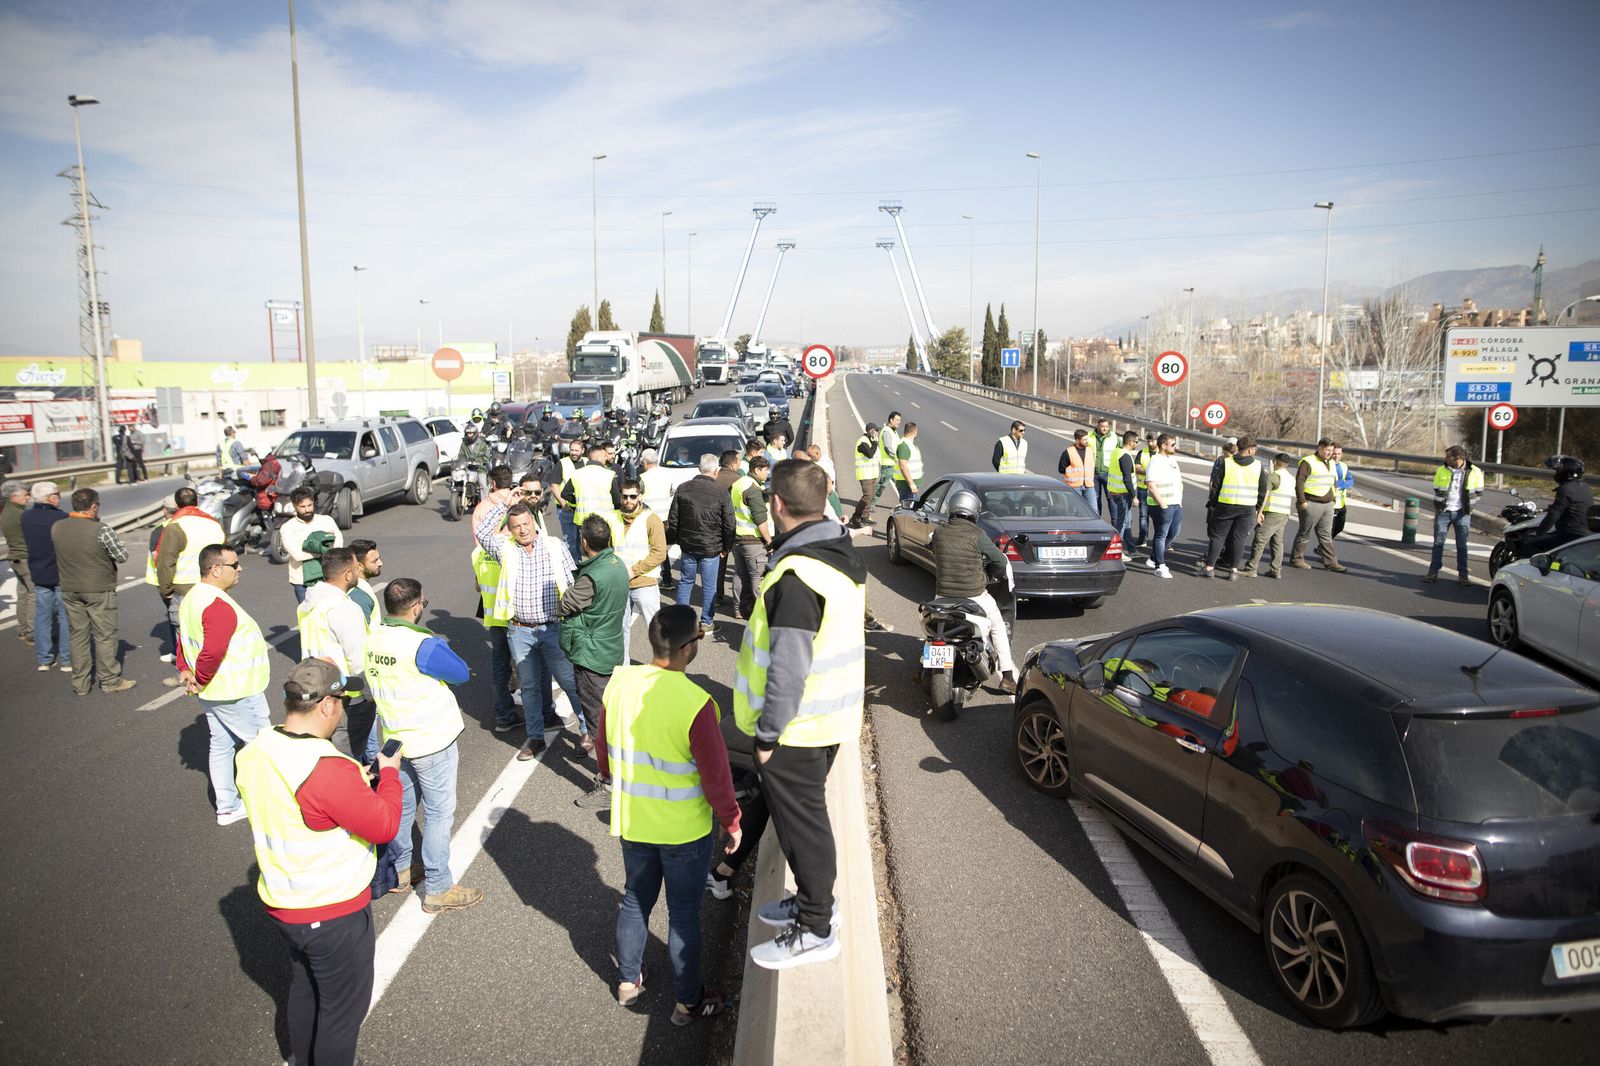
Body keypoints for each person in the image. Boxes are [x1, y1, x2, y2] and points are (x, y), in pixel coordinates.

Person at [235, 658, 402, 1066]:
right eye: (341, 703)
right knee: (342, 1015)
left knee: (305, 988)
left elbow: (303, 808)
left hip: (284, 900)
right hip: (331, 907)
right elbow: (383, 825)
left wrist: (353, 784)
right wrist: (390, 775)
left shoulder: (257, 751)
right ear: (327, 705)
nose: (341, 711)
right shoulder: (326, 768)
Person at [736, 460, 865, 970]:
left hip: (797, 727)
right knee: (799, 823)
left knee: (804, 825)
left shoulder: (798, 575)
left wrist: (768, 732)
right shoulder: (837, 553)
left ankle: (815, 926)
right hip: (823, 719)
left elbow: (789, 665)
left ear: (777, 505)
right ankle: (813, 903)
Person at [586, 606, 740, 1023]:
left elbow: (603, 751)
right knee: (684, 914)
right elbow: (716, 776)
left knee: (635, 899)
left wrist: (609, 775)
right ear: (688, 648)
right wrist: (732, 820)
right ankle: (688, 1000)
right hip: (683, 832)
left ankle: (627, 980)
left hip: (634, 821)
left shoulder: (620, 683)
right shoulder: (696, 703)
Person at [365, 578, 484, 912]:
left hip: (393, 740)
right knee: (438, 812)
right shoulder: (421, 644)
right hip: (430, 738)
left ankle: (402, 870)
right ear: (416, 606)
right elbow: (460, 673)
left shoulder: (374, 637)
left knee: (401, 806)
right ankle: (438, 886)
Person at [475, 497, 585, 761]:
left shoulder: (554, 546)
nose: (523, 529)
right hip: (519, 630)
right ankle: (536, 738)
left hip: (553, 628)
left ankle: (587, 729)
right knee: (530, 686)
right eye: (516, 526)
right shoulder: (505, 549)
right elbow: (481, 532)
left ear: (534, 523)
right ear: (509, 529)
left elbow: (572, 581)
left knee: (570, 681)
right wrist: (504, 505)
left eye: (526, 523)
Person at [179, 544, 272, 825]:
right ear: (215, 569)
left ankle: (228, 806)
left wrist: (186, 670)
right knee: (265, 747)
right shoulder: (217, 605)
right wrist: (200, 677)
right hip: (237, 690)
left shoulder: (193, 597)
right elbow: (212, 651)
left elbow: (183, 639)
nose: (240, 568)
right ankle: (274, 804)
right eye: (234, 564)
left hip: (214, 692)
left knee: (221, 746)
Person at [558, 515, 631, 758]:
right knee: (610, 711)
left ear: (585, 541)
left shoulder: (592, 576)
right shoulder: (617, 564)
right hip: (611, 647)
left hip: (591, 653)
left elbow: (566, 604)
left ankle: (607, 779)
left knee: (597, 720)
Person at [53, 487, 136, 696]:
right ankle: (109, 680)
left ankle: (80, 683)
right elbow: (121, 556)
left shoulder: (57, 527)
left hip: (70, 588)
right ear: (93, 506)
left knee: (78, 636)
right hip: (98, 587)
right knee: (104, 635)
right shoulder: (101, 529)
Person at [931, 488, 1017, 690]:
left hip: (942, 595)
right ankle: (1007, 677)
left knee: (934, 632)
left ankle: (923, 668)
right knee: (997, 626)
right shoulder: (978, 534)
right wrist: (993, 573)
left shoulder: (938, 532)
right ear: (973, 511)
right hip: (974, 596)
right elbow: (1000, 561)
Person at [298, 547, 376, 759]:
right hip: (348, 698)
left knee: (326, 759)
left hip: (318, 691)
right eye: (355, 569)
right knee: (349, 761)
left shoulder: (310, 603)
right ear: (347, 574)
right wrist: (370, 695)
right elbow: (358, 657)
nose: (358, 573)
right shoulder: (343, 608)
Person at [154, 486, 225, 670]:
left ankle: (192, 674)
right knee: (211, 631)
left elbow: (165, 562)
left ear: (177, 505)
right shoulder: (213, 524)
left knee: (186, 635)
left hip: (185, 590)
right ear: (197, 502)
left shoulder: (175, 526)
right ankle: (213, 669)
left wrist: (165, 589)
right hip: (214, 586)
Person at [668, 454, 735, 634]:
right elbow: (729, 523)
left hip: (688, 545)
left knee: (686, 582)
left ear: (699, 469)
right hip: (711, 547)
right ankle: (706, 621)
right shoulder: (721, 492)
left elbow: (673, 519)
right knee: (709, 586)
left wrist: (677, 539)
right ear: (716, 471)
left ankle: (682, 620)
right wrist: (727, 547)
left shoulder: (683, 489)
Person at [21, 481, 71, 674]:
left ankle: (44, 659)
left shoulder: (26, 517)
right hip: (60, 572)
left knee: (42, 617)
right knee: (65, 617)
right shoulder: (61, 518)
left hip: (39, 572)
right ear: (51, 498)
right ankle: (67, 659)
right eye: (58, 494)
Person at [1202, 437, 1269, 580]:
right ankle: (1233, 571)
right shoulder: (1258, 466)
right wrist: (1257, 508)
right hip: (1247, 508)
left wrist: (1213, 503)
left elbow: (1216, 486)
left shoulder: (1226, 463)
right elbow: (1262, 490)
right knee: (1239, 539)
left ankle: (1209, 568)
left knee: (1218, 537)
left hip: (1225, 505)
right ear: (1250, 450)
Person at [617, 478, 667, 662]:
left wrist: (634, 571)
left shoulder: (651, 519)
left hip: (644, 583)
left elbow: (660, 553)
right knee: (620, 629)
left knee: (655, 629)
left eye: (633, 496)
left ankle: (664, 667)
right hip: (620, 585)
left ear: (640, 496)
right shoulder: (614, 517)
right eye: (625, 496)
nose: (628, 500)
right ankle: (623, 668)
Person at [1425, 445, 1483, 584]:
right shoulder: (1441, 470)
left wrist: (1469, 504)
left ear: (1457, 458)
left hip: (1462, 513)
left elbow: (1479, 491)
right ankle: (1433, 572)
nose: (1445, 459)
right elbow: (1436, 488)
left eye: (1448, 456)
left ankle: (1463, 575)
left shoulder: (1475, 471)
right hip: (1443, 512)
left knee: (1462, 545)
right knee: (1438, 543)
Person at [1289, 438, 1348, 573]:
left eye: (1332, 451)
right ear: (1320, 448)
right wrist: (1302, 502)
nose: (1330, 453)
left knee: (1326, 534)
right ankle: (1297, 559)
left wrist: (1333, 499)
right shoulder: (1308, 461)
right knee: (1305, 532)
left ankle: (1331, 563)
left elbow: (1332, 481)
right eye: (1328, 450)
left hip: (1327, 504)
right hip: (1311, 502)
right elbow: (1299, 482)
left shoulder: (1331, 463)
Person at [281, 486, 343, 604]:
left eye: (310, 505)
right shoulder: (288, 528)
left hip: (328, 577)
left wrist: (326, 551)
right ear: (295, 506)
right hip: (302, 582)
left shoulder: (326, 520)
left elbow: (338, 543)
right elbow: (298, 555)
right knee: (309, 616)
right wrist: (325, 550)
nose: (307, 510)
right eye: (303, 507)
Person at [1524, 456, 1594, 556]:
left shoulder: (1565, 489)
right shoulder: (1585, 487)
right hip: (1585, 533)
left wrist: (1539, 532)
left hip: (1570, 534)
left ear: (1566, 473)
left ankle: (1541, 568)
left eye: (1558, 472)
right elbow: (1568, 506)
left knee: (1527, 541)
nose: (1557, 474)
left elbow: (1554, 514)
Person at [730, 456, 773, 620]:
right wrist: (769, 541)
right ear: (757, 470)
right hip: (753, 541)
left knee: (739, 574)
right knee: (758, 577)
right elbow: (760, 520)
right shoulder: (753, 489)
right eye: (765, 470)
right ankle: (762, 612)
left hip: (738, 538)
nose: (767, 473)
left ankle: (738, 608)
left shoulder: (738, 484)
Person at [1239, 453, 1295, 579]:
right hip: (1284, 513)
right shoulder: (1291, 478)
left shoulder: (1273, 476)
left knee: (1260, 539)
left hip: (1272, 512)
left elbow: (1265, 495)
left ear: (1275, 462)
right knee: (1277, 542)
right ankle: (1276, 569)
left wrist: (1259, 512)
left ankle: (1251, 568)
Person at [563, 441, 623, 548]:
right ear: (597, 457)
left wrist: (577, 501)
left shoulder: (577, 474)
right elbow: (617, 501)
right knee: (603, 549)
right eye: (604, 456)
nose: (606, 458)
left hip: (583, 521)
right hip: (604, 521)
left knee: (588, 549)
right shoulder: (609, 475)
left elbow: (565, 494)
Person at [1143, 434, 1183, 580]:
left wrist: (1180, 501)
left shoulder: (1172, 459)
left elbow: (1178, 481)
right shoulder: (1155, 461)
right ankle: (1159, 566)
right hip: (1161, 505)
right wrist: (1163, 504)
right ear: (1164, 445)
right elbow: (1151, 485)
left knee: (1174, 532)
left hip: (1176, 503)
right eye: (1172, 444)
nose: (1175, 447)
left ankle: (1153, 557)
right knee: (1161, 534)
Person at [2, 480, 34, 645]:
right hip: (25, 557)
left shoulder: (8, 511)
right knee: (34, 595)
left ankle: (23, 629)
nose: (28, 497)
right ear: (13, 497)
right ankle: (32, 631)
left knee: (23, 594)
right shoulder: (20, 514)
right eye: (24, 495)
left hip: (15, 557)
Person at [1104, 430, 1140, 547]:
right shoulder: (1125, 456)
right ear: (1130, 442)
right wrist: (1134, 496)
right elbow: (1127, 479)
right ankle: (1115, 547)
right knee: (1122, 523)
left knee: (1124, 521)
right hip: (1123, 494)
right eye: (1136, 442)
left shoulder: (1116, 452)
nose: (1137, 444)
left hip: (1115, 492)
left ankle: (1129, 548)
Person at [556, 438, 587, 558]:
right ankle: (572, 567)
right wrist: (564, 504)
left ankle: (579, 563)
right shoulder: (562, 463)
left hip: (581, 508)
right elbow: (554, 486)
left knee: (581, 540)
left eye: (576, 450)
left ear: (583, 451)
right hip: (566, 509)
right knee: (570, 540)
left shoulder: (587, 462)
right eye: (572, 450)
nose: (573, 452)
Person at [846, 423, 882, 529]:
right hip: (865, 474)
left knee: (870, 497)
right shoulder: (862, 441)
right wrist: (875, 442)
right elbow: (870, 454)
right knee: (867, 497)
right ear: (871, 431)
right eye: (876, 430)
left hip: (872, 474)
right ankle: (855, 517)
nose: (877, 433)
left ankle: (865, 517)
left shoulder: (871, 441)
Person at [867, 412, 903, 513]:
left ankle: (904, 504)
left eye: (900, 420)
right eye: (897, 420)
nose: (899, 422)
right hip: (888, 464)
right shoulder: (887, 431)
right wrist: (897, 457)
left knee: (901, 485)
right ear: (891, 420)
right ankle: (870, 504)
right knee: (882, 485)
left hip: (894, 464)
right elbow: (888, 448)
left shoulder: (893, 431)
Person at [347, 538, 384, 630]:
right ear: (359, 566)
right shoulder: (360, 596)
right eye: (374, 561)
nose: (380, 563)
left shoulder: (358, 587)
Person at [1057, 429, 1097, 511]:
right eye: (1084, 439)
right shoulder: (1068, 452)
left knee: (1093, 510)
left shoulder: (1090, 451)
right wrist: (1072, 474)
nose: (1087, 441)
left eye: (1087, 439)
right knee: (1075, 511)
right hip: (1074, 486)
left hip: (1089, 485)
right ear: (1077, 440)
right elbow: (1061, 469)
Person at [1089, 417, 1115, 518]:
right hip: (1093, 473)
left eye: (1106, 427)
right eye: (1102, 426)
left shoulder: (1113, 437)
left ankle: (1115, 524)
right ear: (1098, 426)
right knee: (1095, 499)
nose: (1105, 429)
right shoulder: (1090, 436)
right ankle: (1098, 521)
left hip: (1108, 472)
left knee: (1111, 499)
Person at [891, 422, 923, 503]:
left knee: (910, 509)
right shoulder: (904, 445)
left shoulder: (910, 444)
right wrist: (911, 484)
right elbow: (903, 466)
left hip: (909, 484)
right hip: (907, 485)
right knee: (907, 510)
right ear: (914, 431)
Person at [639, 448, 674, 517]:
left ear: (645, 462)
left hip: (649, 518)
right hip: (665, 516)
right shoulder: (668, 475)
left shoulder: (643, 477)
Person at [1331, 444, 1353, 539]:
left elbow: (1350, 480)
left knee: (1339, 527)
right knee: (1328, 529)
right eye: (1334, 453)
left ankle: (1324, 546)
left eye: (1339, 454)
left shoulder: (1344, 466)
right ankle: (1324, 548)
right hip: (1330, 502)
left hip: (1341, 503)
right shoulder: (1327, 465)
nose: (1336, 456)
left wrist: (1342, 486)